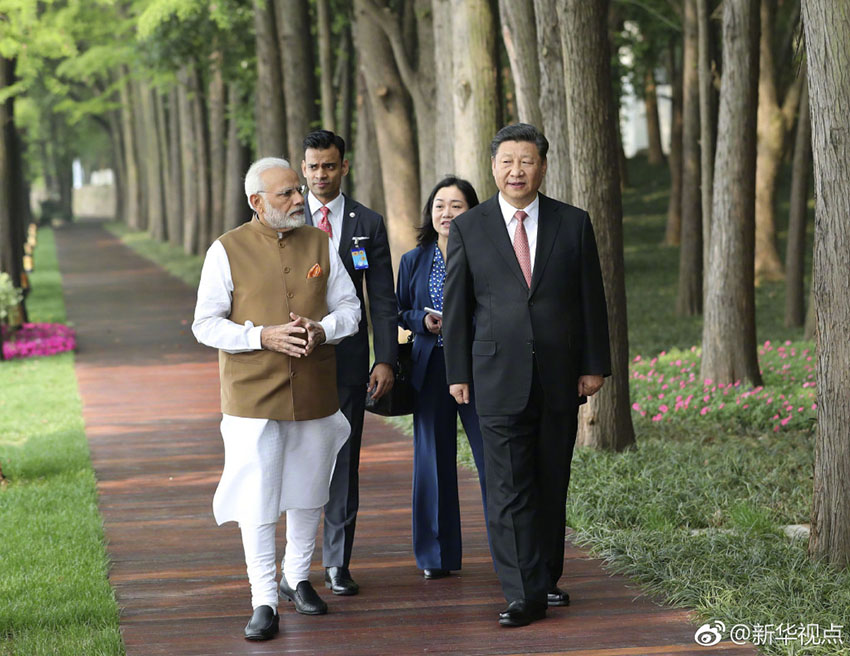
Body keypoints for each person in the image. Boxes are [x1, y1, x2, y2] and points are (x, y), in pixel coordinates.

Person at [442, 123, 611, 628]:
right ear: (493, 167)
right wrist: (457, 371)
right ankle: (522, 593)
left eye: (527, 161)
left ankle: (545, 577)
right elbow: (457, 307)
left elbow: (590, 299)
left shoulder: (572, 222)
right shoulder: (470, 227)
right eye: (507, 161)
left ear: (543, 166)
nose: (517, 171)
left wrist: (594, 365)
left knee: (550, 480)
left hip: (560, 375)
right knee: (507, 486)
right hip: (494, 376)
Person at [192, 157, 361, 641]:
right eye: (285, 193)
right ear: (256, 201)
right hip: (253, 395)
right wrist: (260, 336)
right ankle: (263, 598)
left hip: (314, 387)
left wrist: (323, 329)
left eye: (296, 190)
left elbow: (350, 308)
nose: (298, 199)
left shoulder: (320, 243)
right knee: (258, 495)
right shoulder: (226, 250)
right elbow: (205, 324)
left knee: (311, 488)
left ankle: (297, 576)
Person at [301, 130, 398, 596]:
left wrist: (386, 359)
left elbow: (382, 298)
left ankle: (337, 562)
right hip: (294, 361)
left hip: (349, 360)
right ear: (303, 169)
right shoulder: (283, 215)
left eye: (329, 166)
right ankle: (295, 563)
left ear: (344, 167)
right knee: (296, 459)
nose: (321, 175)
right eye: (313, 167)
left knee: (343, 458)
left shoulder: (368, 223)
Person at [397, 177, 487, 580]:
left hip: (477, 367)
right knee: (432, 460)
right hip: (429, 365)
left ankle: (508, 554)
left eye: (456, 205)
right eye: (439, 205)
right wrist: (422, 320)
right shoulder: (413, 260)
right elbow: (400, 310)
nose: (446, 213)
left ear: (472, 212)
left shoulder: (487, 254)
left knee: (491, 459)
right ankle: (436, 555)